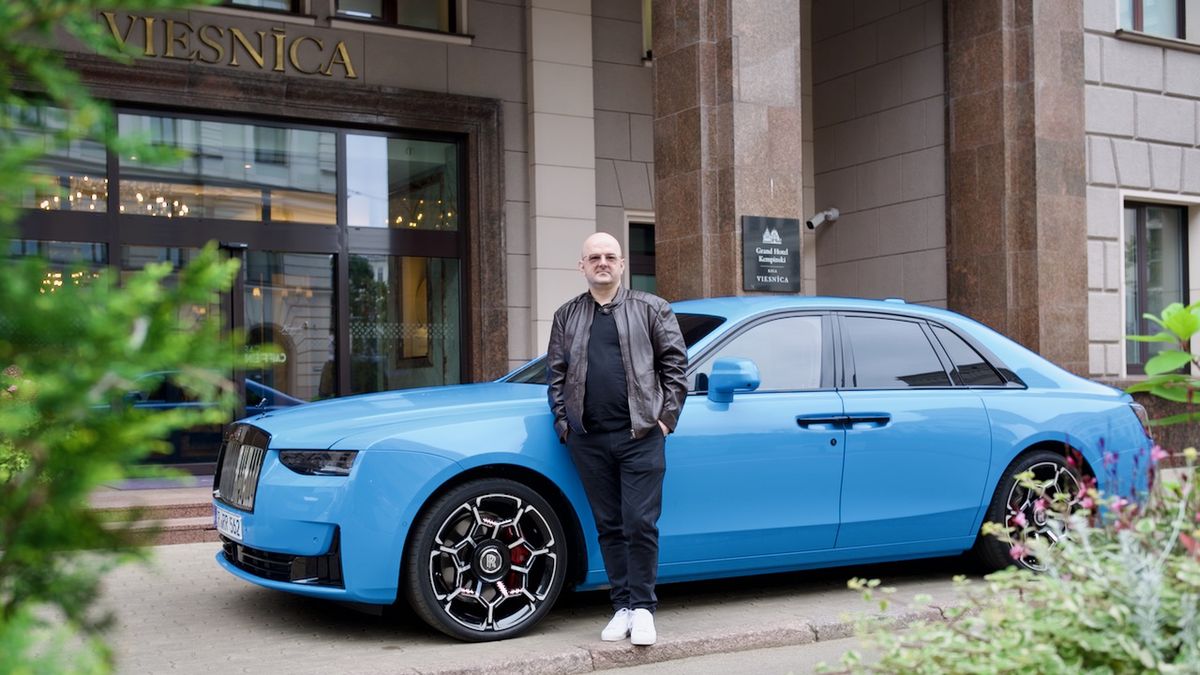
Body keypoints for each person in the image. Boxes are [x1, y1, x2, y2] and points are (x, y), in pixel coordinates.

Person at [546, 232, 688, 646]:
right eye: (594, 257)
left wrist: (664, 421)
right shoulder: (566, 315)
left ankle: (643, 608)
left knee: (640, 523)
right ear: (582, 266)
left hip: (641, 435)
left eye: (610, 256)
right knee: (608, 526)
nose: (602, 262)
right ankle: (621, 606)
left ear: (622, 264)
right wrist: (565, 426)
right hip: (588, 440)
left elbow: (675, 368)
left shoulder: (652, 308)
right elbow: (555, 376)